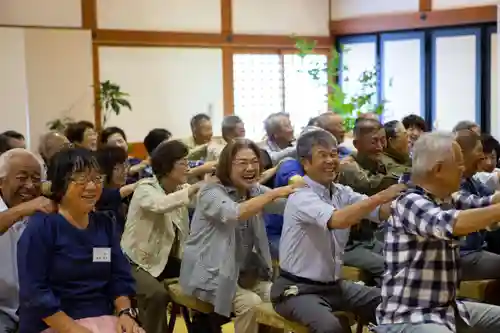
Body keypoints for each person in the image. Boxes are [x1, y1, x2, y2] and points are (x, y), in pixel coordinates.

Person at [271, 128, 405, 333]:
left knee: (395, 302)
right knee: (330, 328)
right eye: (322, 155)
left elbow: (381, 211)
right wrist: (381, 195)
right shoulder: (301, 196)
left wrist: (409, 199)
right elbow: (338, 219)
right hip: (297, 291)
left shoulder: (342, 191)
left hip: (333, 286)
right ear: (305, 163)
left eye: (333, 154)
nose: (330, 160)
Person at [375, 132, 500, 333]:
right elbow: (450, 223)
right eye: (458, 162)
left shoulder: (445, 197)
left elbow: (483, 203)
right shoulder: (408, 201)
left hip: (448, 310)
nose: (463, 168)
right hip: (409, 317)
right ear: (439, 169)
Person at [180, 138, 300, 333]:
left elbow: (286, 207)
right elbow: (234, 213)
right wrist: (271, 195)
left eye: (254, 161)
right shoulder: (210, 192)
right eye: (242, 163)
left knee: (280, 296)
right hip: (209, 274)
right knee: (250, 304)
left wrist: (309, 199)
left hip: (242, 274)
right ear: (227, 165)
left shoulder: (254, 190)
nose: (251, 167)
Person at [17, 147, 140, 333]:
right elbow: (35, 293)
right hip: (52, 322)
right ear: (60, 183)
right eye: (81, 178)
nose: (92, 187)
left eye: (97, 178)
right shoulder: (42, 227)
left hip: (102, 318)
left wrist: (125, 313)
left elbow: (119, 275)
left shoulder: (105, 223)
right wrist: (74, 329)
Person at [121, 140, 204, 333]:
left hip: (165, 259)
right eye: (183, 163)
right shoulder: (145, 187)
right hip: (135, 260)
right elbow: (160, 204)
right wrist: (193, 188)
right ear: (167, 165)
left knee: (208, 279)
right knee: (156, 294)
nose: (187, 168)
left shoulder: (179, 191)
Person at [338, 118, 399, 284]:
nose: (380, 147)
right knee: (388, 267)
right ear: (357, 144)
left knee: (407, 259)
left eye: (382, 140)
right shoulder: (347, 167)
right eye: (374, 142)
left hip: (370, 239)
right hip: (347, 245)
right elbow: (372, 187)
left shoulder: (378, 163)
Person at [0, 149, 54, 332]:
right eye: (22, 178)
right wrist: (22, 210)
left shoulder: (46, 211)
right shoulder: (28, 208)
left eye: (36, 178)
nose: (30, 186)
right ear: (1, 182)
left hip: (39, 309)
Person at [95, 146, 137, 236]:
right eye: (117, 168)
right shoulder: (98, 194)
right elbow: (114, 194)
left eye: (125, 165)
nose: (124, 170)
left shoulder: (128, 186)